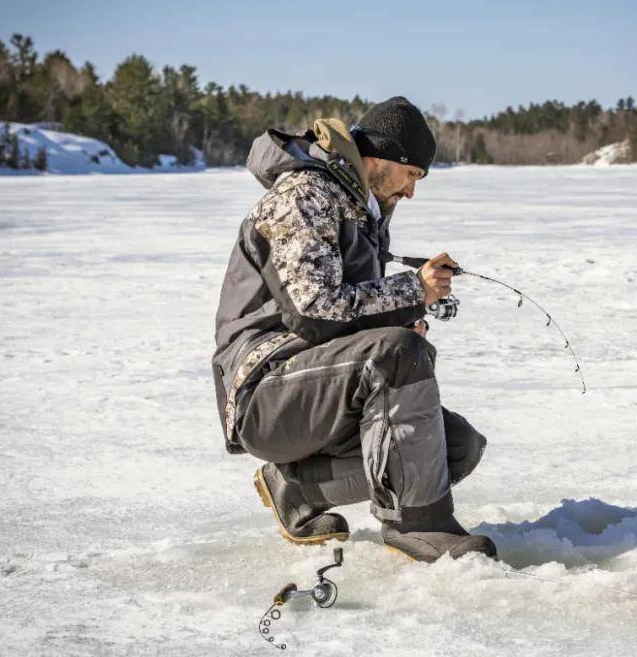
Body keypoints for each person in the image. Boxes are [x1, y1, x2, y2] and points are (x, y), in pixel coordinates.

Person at [211, 97, 496, 563]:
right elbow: (315, 309)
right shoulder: (303, 196)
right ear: (383, 160)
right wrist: (409, 297)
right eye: (412, 176)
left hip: (319, 386)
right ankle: (420, 526)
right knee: (397, 352)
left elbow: (351, 315)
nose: (411, 192)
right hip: (265, 390)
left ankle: (297, 487)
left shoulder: (361, 208)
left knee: (456, 448)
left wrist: (405, 318)